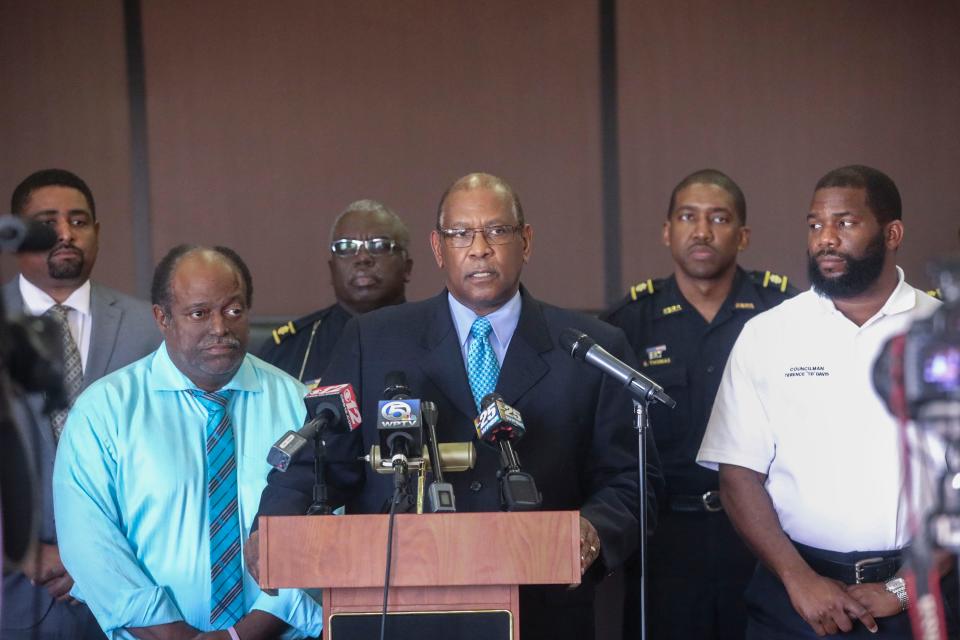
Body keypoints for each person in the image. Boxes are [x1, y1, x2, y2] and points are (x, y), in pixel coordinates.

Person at [251, 172, 660, 640]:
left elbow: (632, 479)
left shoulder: (589, 348)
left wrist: (593, 530)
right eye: (461, 233)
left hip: (542, 610)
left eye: (498, 231)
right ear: (436, 247)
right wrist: (275, 522)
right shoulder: (374, 340)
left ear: (525, 241)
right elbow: (325, 459)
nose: (480, 247)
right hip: (396, 608)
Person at [697, 165, 947, 638]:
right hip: (794, 597)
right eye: (815, 225)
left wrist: (901, 589)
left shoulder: (942, 332)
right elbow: (737, 474)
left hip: (921, 595)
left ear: (892, 233)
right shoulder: (768, 334)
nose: (825, 239)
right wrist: (800, 580)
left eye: (845, 223)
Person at [52, 246, 323, 639]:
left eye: (234, 310)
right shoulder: (104, 411)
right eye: (199, 313)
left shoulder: (299, 407)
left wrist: (241, 636)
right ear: (162, 318)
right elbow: (91, 546)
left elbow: (326, 534)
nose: (220, 327)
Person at [602, 169, 796, 640]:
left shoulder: (784, 314)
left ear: (743, 235)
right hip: (665, 540)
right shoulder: (630, 322)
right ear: (667, 231)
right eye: (688, 217)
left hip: (763, 537)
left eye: (719, 218)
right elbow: (609, 440)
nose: (703, 231)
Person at [2, 168, 160, 640]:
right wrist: (24, 551)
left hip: (132, 591)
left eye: (79, 220)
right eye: (47, 222)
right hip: (12, 591)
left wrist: (95, 559)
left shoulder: (150, 328)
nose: (66, 234)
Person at [259, 199, 412, 382]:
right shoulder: (289, 349)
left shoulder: (440, 337)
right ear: (332, 269)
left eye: (379, 245)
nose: (362, 258)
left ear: (407, 268)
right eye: (345, 247)